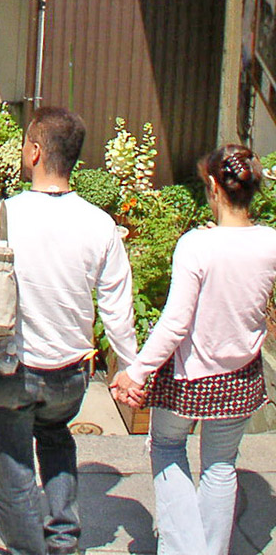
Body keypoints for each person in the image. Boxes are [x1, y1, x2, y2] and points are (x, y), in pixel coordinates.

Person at [0, 106, 137, 555]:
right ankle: (64, 539)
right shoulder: (100, 225)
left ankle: (28, 549)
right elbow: (117, 310)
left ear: (33, 151)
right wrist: (130, 369)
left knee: (13, 469)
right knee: (56, 442)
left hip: (12, 368)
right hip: (70, 373)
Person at [112, 145, 276, 555]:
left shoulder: (196, 246)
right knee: (220, 467)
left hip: (191, 378)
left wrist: (137, 370)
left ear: (215, 187)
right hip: (241, 377)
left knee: (168, 449)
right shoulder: (270, 243)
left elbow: (175, 323)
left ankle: (184, 548)